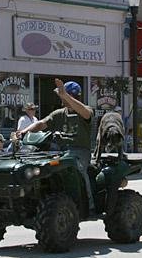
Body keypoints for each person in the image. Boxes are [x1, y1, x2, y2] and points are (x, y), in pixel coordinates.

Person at [17, 79, 95, 211]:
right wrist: (24, 131)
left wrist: (65, 95)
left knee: (80, 169)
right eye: (61, 95)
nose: (61, 98)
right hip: (59, 151)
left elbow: (85, 113)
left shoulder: (86, 110)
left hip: (79, 152)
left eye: (63, 95)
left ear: (72, 96)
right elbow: (42, 123)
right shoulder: (59, 113)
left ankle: (89, 204)